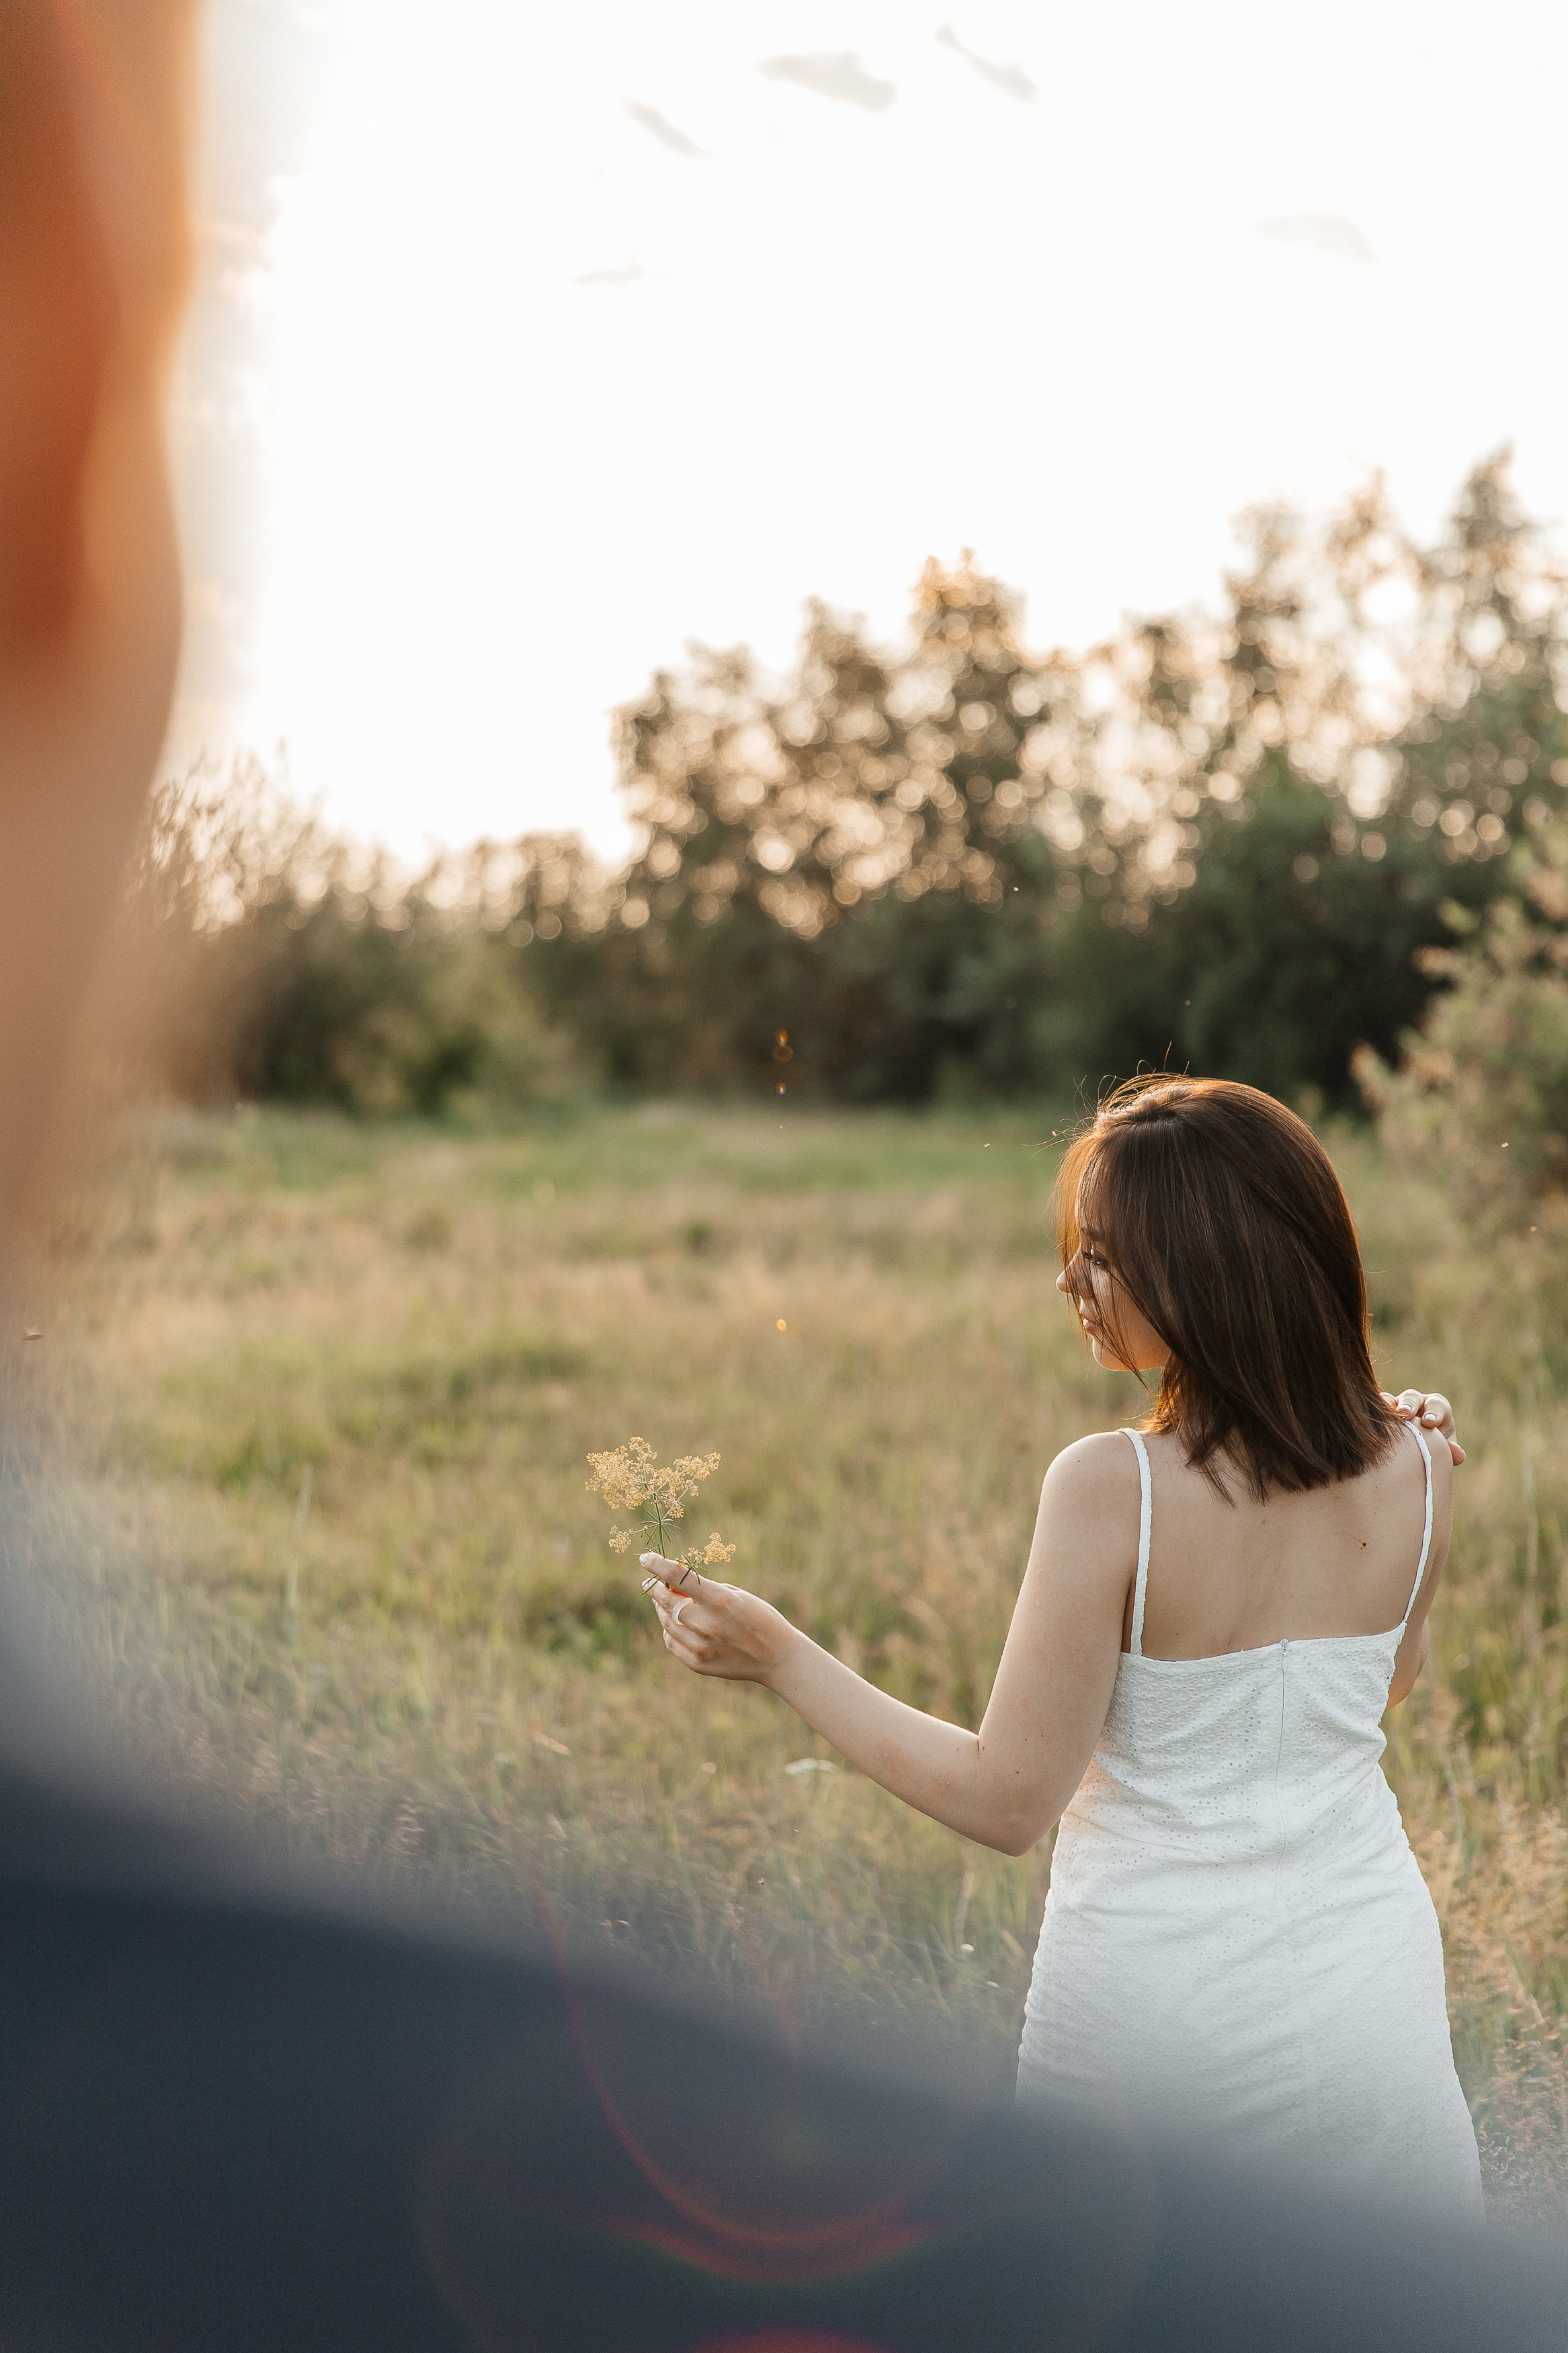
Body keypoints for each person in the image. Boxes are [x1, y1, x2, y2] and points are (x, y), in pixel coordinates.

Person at [643, 1076, 1482, 2205]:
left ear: (1205, 1267)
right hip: (1370, 1996)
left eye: (1100, 1256)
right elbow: (1385, 1687)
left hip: (1154, 2019)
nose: (1066, 1282)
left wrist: (780, 1656)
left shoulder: (1110, 1486)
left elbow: (1004, 1803)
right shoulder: (1423, 1458)